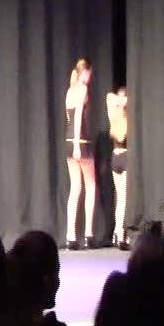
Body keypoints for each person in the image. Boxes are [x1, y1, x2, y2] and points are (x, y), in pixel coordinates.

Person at [63, 57, 98, 249]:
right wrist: (77, 143)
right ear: (85, 72)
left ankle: (70, 236)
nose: (90, 77)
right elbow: (77, 117)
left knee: (75, 187)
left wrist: (72, 142)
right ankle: (88, 234)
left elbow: (68, 117)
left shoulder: (69, 91)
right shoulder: (82, 88)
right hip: (80, 141)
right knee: (90, 185)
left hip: (68, 141)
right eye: (89, 73)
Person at [106, 86, 130, 249]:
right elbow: (110, 97)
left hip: (115, 158)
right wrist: (125, 102)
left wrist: (119, 102)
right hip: (125, 158)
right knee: (124, 198)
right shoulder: (127, 118)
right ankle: (121, 234)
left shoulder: (113, 117)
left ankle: (116, 231)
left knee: (120, 197)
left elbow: (109, 98)